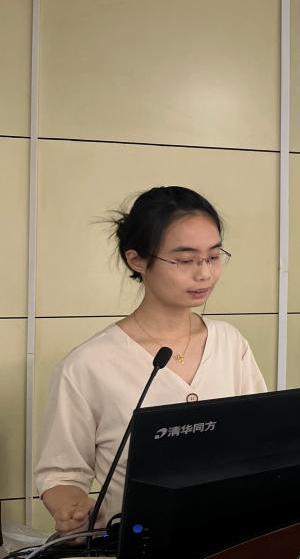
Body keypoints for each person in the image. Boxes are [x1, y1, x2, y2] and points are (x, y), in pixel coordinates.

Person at [35, 186, 267, 534]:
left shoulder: (230, 343)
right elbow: (61, 474)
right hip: (138, 550)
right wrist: (73, 509)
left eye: (214, 256)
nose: (204, 273)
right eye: (185, 260)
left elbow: (262, 442)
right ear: (137, 260)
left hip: (234, 540)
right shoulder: (88, 365)